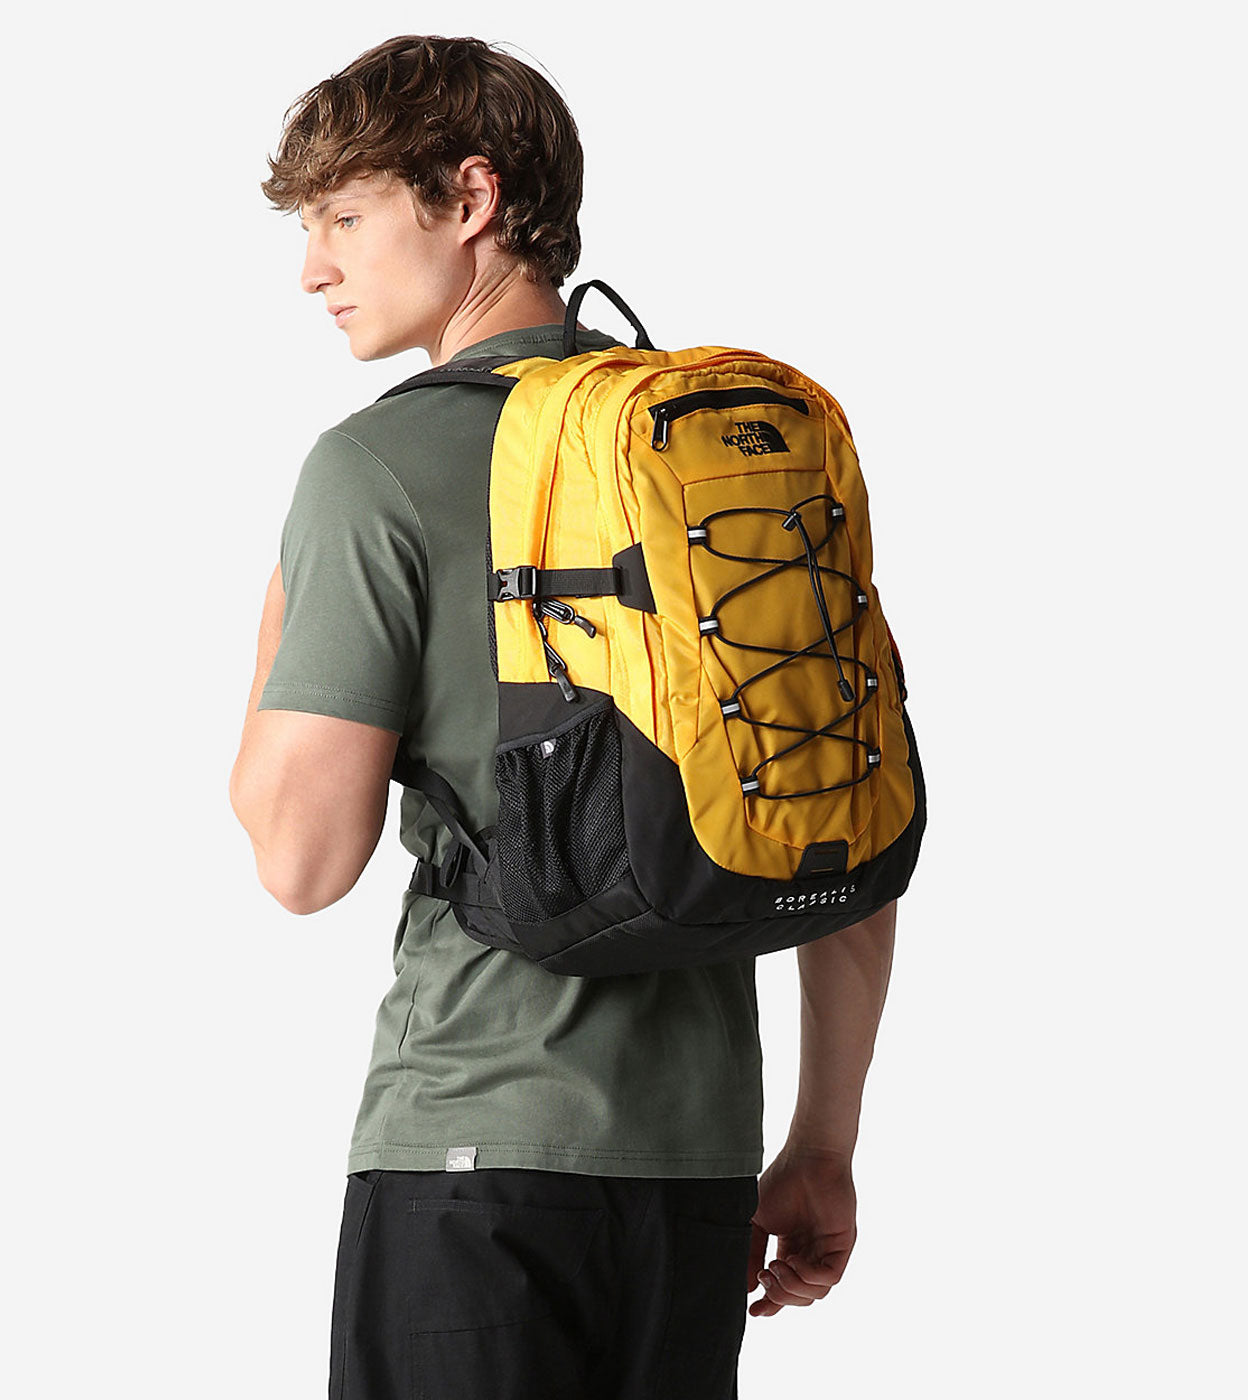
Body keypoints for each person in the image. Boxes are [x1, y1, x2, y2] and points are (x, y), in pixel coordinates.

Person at [229, 34, 899, 1400]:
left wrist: (287, 612)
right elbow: (829, 806)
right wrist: (822, 1145)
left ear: (470, 198)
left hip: (471, 1157)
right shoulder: (705, 455)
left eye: (343, 218)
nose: (312, 269)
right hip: (698, 1175)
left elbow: (301, 864)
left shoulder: (374, 465)